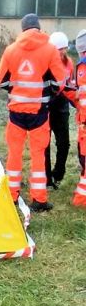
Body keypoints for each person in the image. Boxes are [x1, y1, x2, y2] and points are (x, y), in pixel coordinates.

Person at [0, 13, 65, 212]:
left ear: (23, 28)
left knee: (14, 154)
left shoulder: (11, 50)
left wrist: (17, 90)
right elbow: (59, 82)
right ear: (39, 28)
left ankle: (12, 195)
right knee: (38, 155)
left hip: (16, 112)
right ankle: (39, 200)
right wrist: (46, 92)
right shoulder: (50, 50)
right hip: (39, 112)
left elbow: (1, 80)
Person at [44, 32, 74, 189]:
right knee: (45, 144)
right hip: (47, 105)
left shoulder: (69, 63)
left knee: (64, 143)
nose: (62, 51)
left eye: (64, 48)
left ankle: (58, 172)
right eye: (59, 49)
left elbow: (70, 84)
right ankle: (47, 179)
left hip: (62, 105)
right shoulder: (45, 63)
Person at [63, 29, 86, 207]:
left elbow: (81, 96)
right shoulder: (80, 67)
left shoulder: (82, 67)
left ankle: (81, 199)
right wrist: (68, 90)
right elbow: (80, 94)